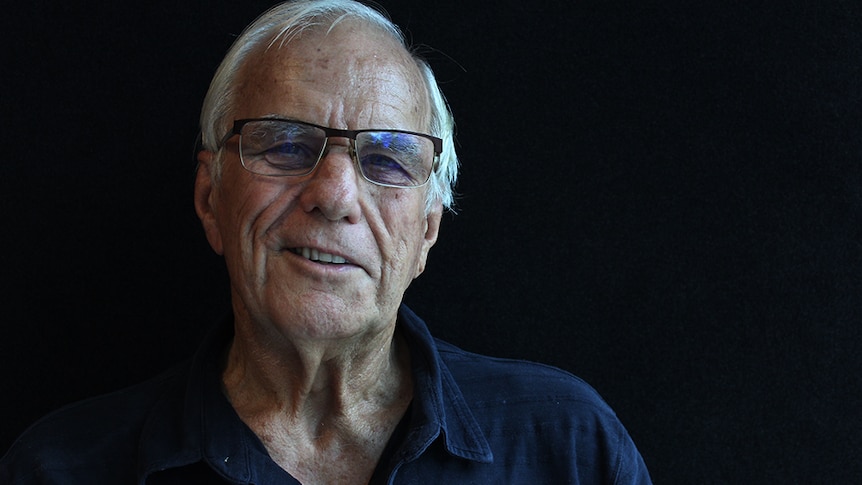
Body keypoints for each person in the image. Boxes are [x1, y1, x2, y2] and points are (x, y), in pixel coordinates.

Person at [0, 0, 652, 483]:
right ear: (209, 199)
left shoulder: (567, 449)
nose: (334, 194)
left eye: (388, 161)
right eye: (285, 143)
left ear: (426, 230)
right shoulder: (62, 469)